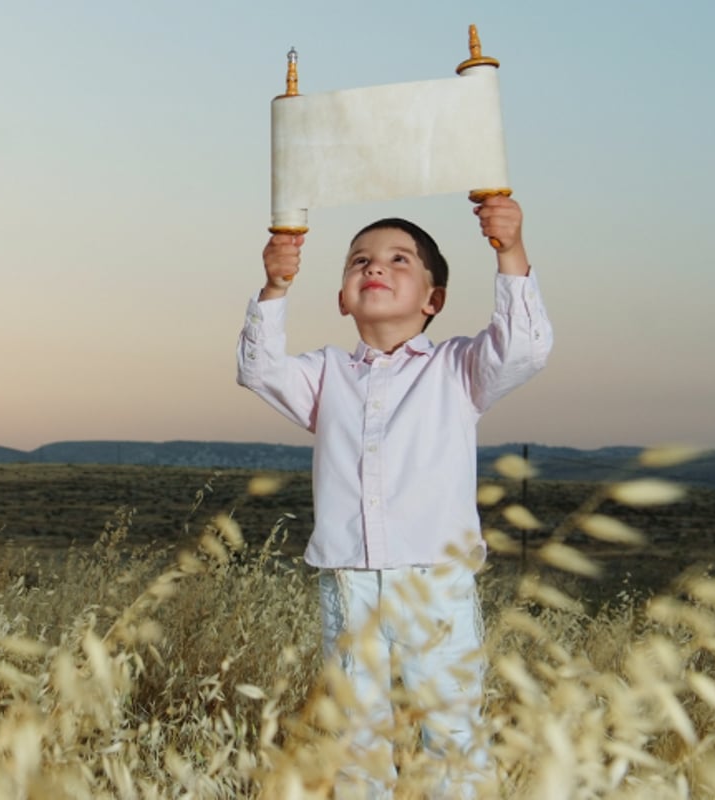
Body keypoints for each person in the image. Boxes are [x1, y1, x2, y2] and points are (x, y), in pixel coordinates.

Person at [236, 196, 552, 798]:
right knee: (354, 734)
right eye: (360, 260)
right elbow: (258, 367)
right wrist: (275, 285)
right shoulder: (326, 374)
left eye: (399, 259)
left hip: (433, 581)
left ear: (432, 300)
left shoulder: (457, 369)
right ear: (341, 297)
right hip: (348, 580)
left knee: (450, 731)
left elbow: (524, 347)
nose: (374, 267)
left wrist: (508, 248)